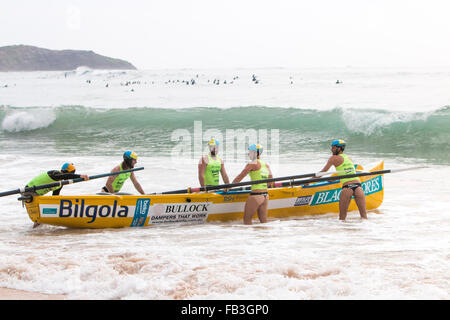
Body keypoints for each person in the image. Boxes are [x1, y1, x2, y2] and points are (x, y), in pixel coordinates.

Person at [25, 162, 89, 228]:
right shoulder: (54, 173)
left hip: (37, 194)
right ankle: (34, 231)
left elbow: (55, 197)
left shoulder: (60, 183)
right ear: (66, 172)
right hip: (29, 191)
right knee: (38, 218)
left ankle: (36, 231)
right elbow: (66, 176)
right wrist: (80, 176)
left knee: (40, 219)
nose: (71, 175)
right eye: (72, 173)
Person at [318, 139, 367, 220]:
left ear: (339, 148)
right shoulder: (349, 158)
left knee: (342, 218)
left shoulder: (333, 158)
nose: (331, 149)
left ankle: (343, 232)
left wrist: (310, 180)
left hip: (347, 187)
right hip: (358, 187)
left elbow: (323, 172)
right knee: (364, 217)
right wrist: (333, 178)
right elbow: (346, 171)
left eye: (333, 148)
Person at [232, 144, 273, 225]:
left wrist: (229, 187)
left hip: (256, 195)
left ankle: (249, 237)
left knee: (247, 220)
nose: (248, 154)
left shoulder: (252, 163)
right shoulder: (266, 165)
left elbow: (240, 176)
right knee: (264, 222)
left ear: (255, 153)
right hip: (265, 196)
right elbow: (270, 181)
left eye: (250, 152)